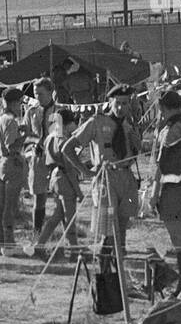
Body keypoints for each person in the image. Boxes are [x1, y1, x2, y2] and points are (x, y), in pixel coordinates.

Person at [73, 85, 142, 253]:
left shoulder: (128, 125)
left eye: (125, 103)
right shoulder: (96, 122)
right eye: (117, 103)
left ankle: (120, 271)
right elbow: (68, 148)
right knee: (108, 231)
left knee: (122, 229)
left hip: (126, 178)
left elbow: (132, 155)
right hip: (106, 180)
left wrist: (136, 143)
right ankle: (105, 270)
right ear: (110, 102)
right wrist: (86, 171)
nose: (120, 107)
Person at [149, 90, 181, 295]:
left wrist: (154, 194)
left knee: (180, 240)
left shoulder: (170, 130)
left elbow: (162, 164)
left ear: (163, 108)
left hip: (173, 188)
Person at [34, 106, 85, 256]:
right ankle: (74, 249)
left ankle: (40, 243)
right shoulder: (63, 140)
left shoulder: (50, 137)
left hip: (53, 176)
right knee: (70, 218)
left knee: (57, 216)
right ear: (67, 123)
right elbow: (69, 169)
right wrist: (78, 191)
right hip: (64, 178)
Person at [0, 87, 27, 253]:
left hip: (1, 163)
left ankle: (2, 241)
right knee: (10, 206)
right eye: (19, 104)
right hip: (12, 162)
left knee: (2, 205)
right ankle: (9, 244)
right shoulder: (10, 120)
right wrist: (25, 135)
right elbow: (12, 145)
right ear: (14, 103)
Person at [23, 78, 58, 239]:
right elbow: (26, 135)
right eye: (36, 94)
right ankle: (37, 235)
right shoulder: (31, 112)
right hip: (38, 158)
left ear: (51, 92)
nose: (38, 97)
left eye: (41, 94)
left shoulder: (59, 112)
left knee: (61, 199)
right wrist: (34, 143)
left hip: (56, 159)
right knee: (39, 197)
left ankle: (64, 235)